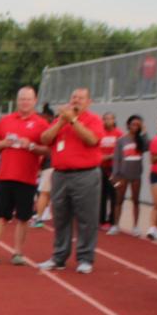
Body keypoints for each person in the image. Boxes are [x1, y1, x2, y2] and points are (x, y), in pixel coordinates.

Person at [0, 84, 47, 265]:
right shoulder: (6, 120)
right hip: (5, 176)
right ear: (17, 100)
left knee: (23, 217)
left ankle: (18, 253)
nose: (24, 102)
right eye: (22, 99)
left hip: (27, 177)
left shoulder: (41, 124)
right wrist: (5, 142)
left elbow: (47, 150)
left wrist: (30, 145)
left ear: (34, 101)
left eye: (28, 99)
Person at [36, 87, 105, 274]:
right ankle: (59, 256)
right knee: (60, 217)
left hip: (85, 174)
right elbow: (45, 138)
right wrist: (61, 123)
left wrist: (73, 121)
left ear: (88, 102)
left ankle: (85, 257)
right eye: (74, 97)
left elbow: (91, 140)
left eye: (81, 98)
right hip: (60, 174)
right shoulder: (61, 120)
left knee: (86, 218)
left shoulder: (93, 120)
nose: (76, 100)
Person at [111, 115, 147, 235]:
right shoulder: (121, 140)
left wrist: (145, 131)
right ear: (128, 125)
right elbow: (117, 158)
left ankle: (135, 226)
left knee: (136, 200)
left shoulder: (141, 140)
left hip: (136, 175)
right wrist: (115, 175)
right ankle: (116, 225)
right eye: (133, 124)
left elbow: (148, 147)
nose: (136, 127)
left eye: (138, 125)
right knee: (119, 200)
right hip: (123, 175)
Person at [97, 112, 123, 231]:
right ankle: (101, 220)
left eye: (110, 118)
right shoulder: (99, 132)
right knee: (101, 194)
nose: (107, 121)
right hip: (101, 167)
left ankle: (112, 220)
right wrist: (106, 157)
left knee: (114, 194)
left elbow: (121, 151)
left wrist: (113, 157)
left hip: (114, 169)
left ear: (114, 120)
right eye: (105, 119)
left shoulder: (119, 134)